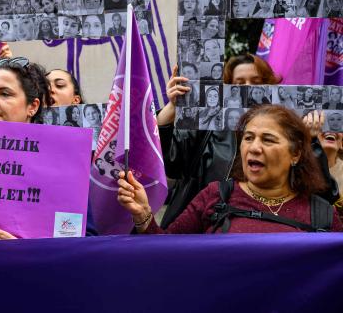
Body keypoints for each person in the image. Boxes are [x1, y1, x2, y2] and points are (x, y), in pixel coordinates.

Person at [157, 55, 339, 228]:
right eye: (239, 84)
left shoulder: (287, 137)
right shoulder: (206, 128)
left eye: (256, 82)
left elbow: (322, 195)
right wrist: (172, 108)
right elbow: (171, 164)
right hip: (204, 232)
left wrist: (310, 141)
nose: (248, 89)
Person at [119, 105, 343, 233]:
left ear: (295, 154)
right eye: (248, 138)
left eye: (268, 140)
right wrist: (144, 215)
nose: (254, 148)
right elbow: (167, 254)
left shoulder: (322, 214)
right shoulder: (216, 195)